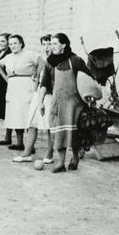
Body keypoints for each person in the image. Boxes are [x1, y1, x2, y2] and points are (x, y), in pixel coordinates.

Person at [37, 32, 94, 173]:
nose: (52, 46)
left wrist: (90, 97)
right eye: (51, 43)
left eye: (55, 43)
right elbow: (44, 84)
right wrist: (40, 102)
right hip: (57, 103)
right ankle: (60, 163)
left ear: (64, 45)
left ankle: (75, 158)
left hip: (75, 104)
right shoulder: (50, 62)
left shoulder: (75, 60)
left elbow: (88, 80)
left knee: (74, 134)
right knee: (57, 133)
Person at [13, 33, 54, 163]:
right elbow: (36, 79)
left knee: (49, 127)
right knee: (31, 124)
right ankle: (27, 153)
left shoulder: (56, 61)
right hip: (38, 96)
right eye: (44, 44)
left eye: (49, 44)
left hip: (49, 97)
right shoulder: (41, 61)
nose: (47, 47)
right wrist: (35, 80)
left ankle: (50, 155)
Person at [0, 34, 40, 153]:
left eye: (15, 43)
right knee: (16, 115)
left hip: (27, 86)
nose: (12, 46)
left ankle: (30, 146)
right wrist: (6, 78)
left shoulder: (30, 54)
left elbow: (41, 62)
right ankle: (19, 143)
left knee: (28, 115)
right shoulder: (8, 57)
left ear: (21, 43)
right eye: (10, 44)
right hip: (12, 87)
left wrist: (36, 75)